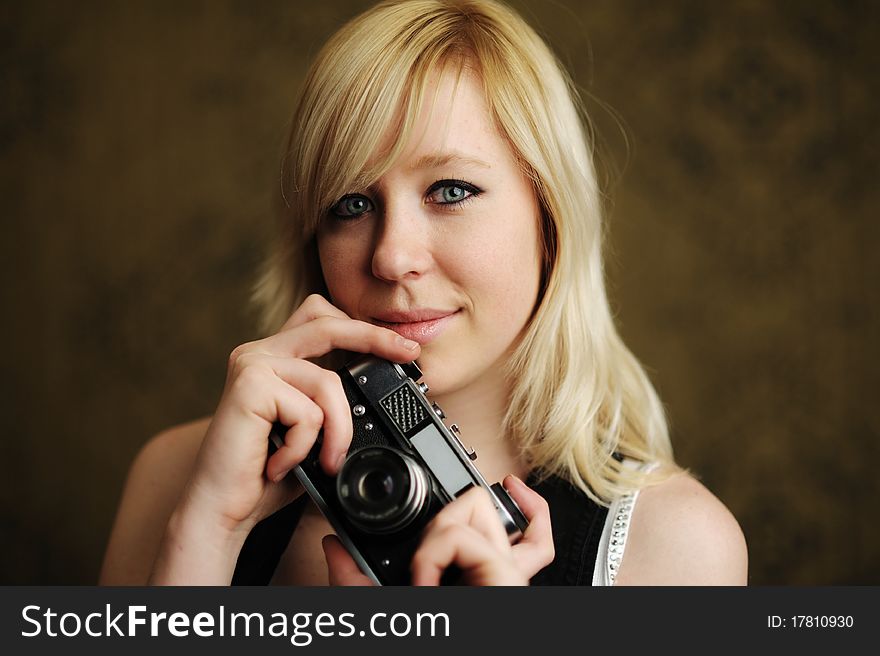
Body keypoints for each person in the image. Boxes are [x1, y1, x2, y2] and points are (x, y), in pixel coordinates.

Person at [99, 0, 747, 586]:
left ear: (549, 220)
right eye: (350, 203)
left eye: (451, 191)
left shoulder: (675, 549)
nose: (391, 256)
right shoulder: (178, 481)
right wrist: (206, 534)